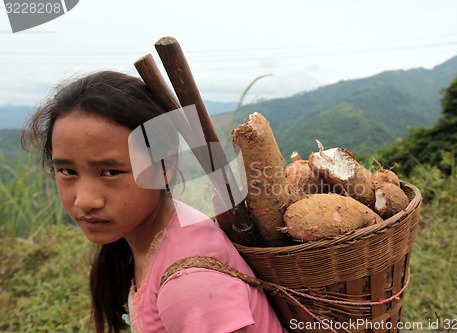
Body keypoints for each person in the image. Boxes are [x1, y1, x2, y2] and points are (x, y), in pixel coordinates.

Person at [22, 71, 286, 333]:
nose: (85, 200)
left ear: (165, 166)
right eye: (67, 171)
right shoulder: (154, 236)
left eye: (111, 172)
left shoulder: (189, 285)